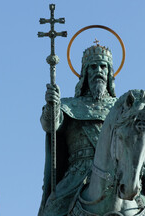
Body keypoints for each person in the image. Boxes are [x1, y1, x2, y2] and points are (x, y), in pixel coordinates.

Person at [38, 43, 117, 216]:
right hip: (77, 175)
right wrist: (53, 105)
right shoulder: (68, 106)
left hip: (115, 174)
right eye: (93, 66)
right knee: (51, 210)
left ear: (110, 73)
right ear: (85, 73)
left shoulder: (120, 108)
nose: (99, 71)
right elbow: (49, 125)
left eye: (103, 66)